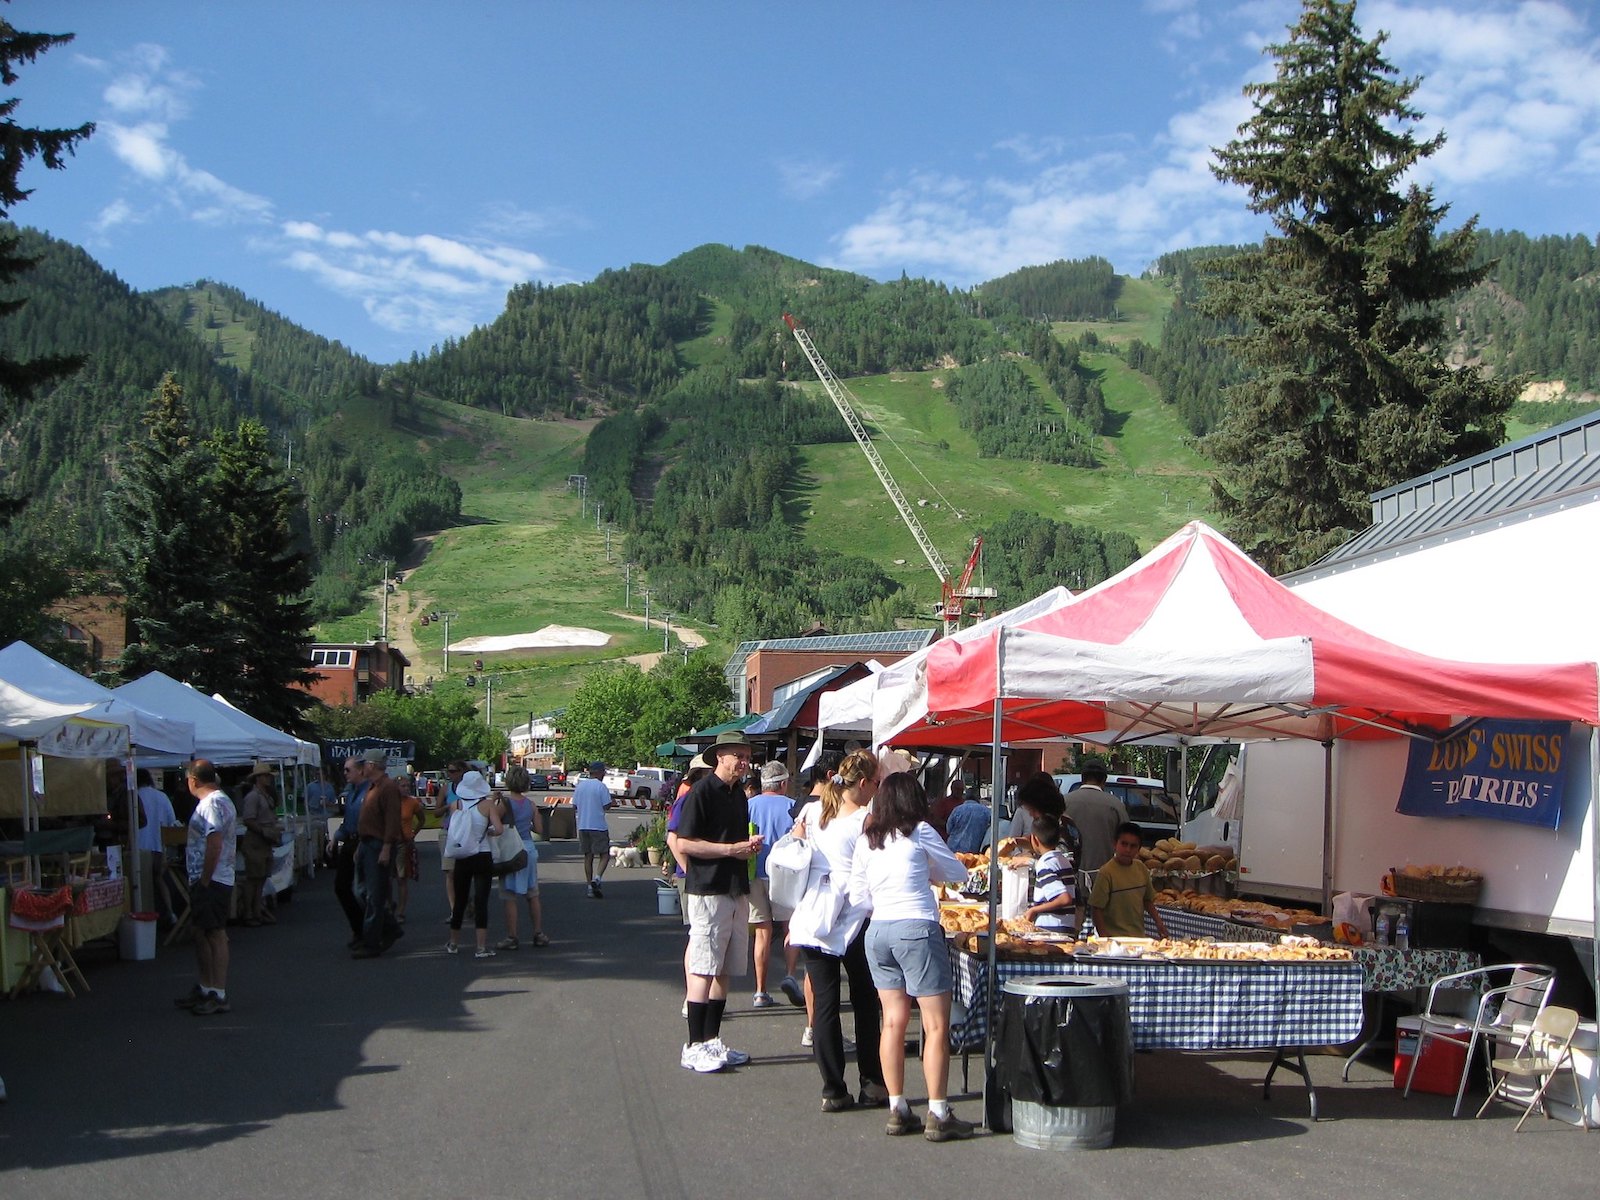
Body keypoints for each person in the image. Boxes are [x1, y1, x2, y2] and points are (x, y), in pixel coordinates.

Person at [847, 771, 973, 1141]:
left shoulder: (867, 840)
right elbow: (958, 872)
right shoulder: (920, 832)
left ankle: (897, 1106)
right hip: (917, 926)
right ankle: (938, 1110)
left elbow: (857, 897)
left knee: (892, 1022)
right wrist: (926, 873)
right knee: (935, 1025)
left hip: (878, 930)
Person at [790, 747, 888, 1113]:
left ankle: (832, 1088)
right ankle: (872, 1081)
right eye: (876, 782)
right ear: (863, 783)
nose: (877, 788)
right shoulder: (865, 819)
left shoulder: (812, 811)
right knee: (865, 1001)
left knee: (826, 1004)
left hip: (814, 913)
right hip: (856, 914)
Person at [672, 731, 760, 1073]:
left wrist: (747, 846)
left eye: (746, 755)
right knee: (704, 966)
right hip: (708, 888)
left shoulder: (738, 794)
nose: (743, 761)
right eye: (737, 754)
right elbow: (684, 843)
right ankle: (693, 1044)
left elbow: (731, 841)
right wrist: (729, 850)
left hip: (735, 887)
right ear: (719, 756)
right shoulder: (701, 792)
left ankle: (711, 1040)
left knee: (724, 968)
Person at [176, 760, 237, 1016]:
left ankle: (218, 992)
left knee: (214, 933)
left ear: (194, 780)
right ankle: (206, 986)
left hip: (212, 878)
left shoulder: (212, 804)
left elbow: (214, 843)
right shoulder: (219, 801)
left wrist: (204, 878)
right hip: (212, 876)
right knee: (202, 931)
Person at [747, 759, 803, 1009]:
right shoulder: (793, 807)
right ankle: (790, 975)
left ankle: (760, 990)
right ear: (782, 783)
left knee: (762, 932)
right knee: (790, 927)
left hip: (754, 872)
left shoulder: (748, 806)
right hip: (786, 875)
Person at [353, 750, 405, 958]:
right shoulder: (373, 787)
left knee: (374, 895)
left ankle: (371, 941)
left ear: (372, 765)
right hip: (367, 844)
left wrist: (386, 847)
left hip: (378, 845)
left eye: (364, 764)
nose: (362, 767)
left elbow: (392, 820)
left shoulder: (388, 788)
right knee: (361, 891)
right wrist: (360, 845)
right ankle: (390, 926)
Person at [446, 769, 503, 959]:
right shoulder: (487, 805)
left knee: (460, 900)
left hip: (462, 854)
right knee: (481, 901)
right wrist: (488, 832)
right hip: (482, 854)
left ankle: (453, 943)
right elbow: (499, 829)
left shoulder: (456, 804)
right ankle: (480, 947)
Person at [496, 766, 549, 951]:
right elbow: (540, 830)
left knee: (509, 895)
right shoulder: (531, 805)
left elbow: (494, 824)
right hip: (528, 848)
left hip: (511, 851)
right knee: (532, 894)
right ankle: (538, 933)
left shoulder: (504, 804)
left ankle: (512, 936)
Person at [1089, 821, 1169, 939]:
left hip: (1138, 936)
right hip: (1114, 939)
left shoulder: (1141, 868)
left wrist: (1159, 923)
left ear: (1139, 849)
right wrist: (1104, 938)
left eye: (1133, 846)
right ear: (1115, 844)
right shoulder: (1106, 872)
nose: (1127, 849)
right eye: (1124, 844)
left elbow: (1147, 900)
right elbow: (1096, 909)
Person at [1062, 757, 1129, 876]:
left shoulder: (1064, 802)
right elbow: (1127, 841)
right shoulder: (1115, 805)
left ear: (1082, 778)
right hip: (1106, 876)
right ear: (1104, 779)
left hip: (1068, 875)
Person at [330, 756, 370, 944]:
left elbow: (369, 823)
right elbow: (348, 821)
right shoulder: (351, 792)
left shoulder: (369, 791)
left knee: (360, 890)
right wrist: (336, 837)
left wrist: (362, 843)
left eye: (348, 770)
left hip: (364, 842)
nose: (345, 773)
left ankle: (371, 929)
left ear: (360, 770)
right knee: (341, 887)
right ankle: (358, 927)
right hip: (349, 841)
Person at [237, 763, 280, 927]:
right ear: (258, 778)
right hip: (255, 842)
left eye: (269, 776)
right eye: (265, 776)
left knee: (261, 878)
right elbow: (248, 819)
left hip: (265, 842)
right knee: (253, 879)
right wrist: (263, 831)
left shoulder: (266, 795)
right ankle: (249, 913)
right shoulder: (253, 797)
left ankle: (257, 911)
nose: (268, 778)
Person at [134, 768, 179, 923]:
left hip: (139, 846)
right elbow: (172, 822)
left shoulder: (134, 796)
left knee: (141, 883)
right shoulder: (162, 796)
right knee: (160, 879)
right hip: (160, 846)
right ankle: (170, 912)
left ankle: (144, 916)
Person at [1024, 813, 1077, 933]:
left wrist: (1034, 910)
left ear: (1035, 839)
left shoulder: (1045, 865)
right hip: (1066, 927)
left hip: (1050, 931)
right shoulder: (1063, 860)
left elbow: (1064, 899)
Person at [572, 761, 615, 898]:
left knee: (588, 856)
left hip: (583, 825)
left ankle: (589, 887)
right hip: (598, 825)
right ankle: (597, 878)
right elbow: (607, 805)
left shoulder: (580, 786)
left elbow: (575, 805)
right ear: (599, 772)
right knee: (604, 854)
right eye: (603, 772)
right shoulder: (601, 787)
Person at [439, 760, 468, 919]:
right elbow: (436, 812)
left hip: (466, 834)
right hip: (448, 832)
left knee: (464, 872)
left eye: (453, 771)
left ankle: (464, 900)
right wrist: (448, 807)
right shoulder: (446, 789)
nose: (450, 774)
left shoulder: (471, 790)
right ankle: (455, 911)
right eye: (449, 771)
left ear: (463, 772)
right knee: (450, 872)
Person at [393, 774, 423, 925]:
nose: (406, 789)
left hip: (403, 843)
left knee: (401, 877)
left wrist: (413, 834)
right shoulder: (389, 801)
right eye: (402, 786)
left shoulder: (412, 802)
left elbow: (422, 819)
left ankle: (400, 911)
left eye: (407, 786)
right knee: (385, 877)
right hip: (388, 842)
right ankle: (388, 906)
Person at [943, 788, 992, 854]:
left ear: (965, 797)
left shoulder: (957, 810)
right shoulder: (986, 811)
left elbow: (948, 829)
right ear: (978, 797)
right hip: (974, 850)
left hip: (954, 848)